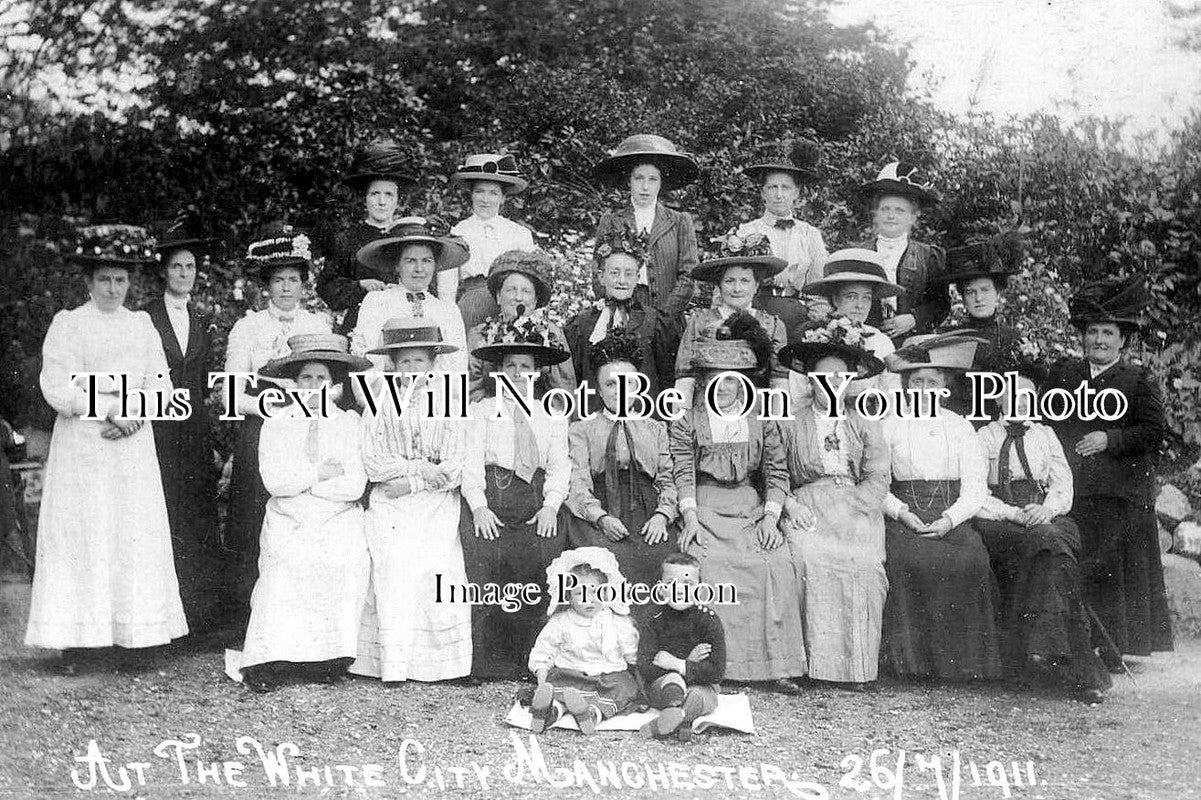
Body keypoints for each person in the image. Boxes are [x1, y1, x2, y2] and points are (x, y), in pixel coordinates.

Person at [25, 224, 187, 671]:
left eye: (120, 280)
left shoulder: (141, 325)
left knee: (130, 534)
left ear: (130, 283)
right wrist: (110, 410)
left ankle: (135, 637)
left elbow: (161, 383)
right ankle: (80, 642)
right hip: (85, 446)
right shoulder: (69, 324)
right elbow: (57, 385)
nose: (113, 288)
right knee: (85, 535)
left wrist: (135, 415)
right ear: (89, 283)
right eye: (104, 280)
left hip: (131, 448)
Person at [669, 312, 807, 693]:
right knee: (709, 563)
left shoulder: (761, 419)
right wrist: (690, 517)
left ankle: (774, 666)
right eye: (714, 378)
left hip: (750, 506)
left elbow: (777, 472)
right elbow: (682, 471)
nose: (723, 386)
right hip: (705, 505)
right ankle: (718, 666)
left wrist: (770, 517)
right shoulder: (687, 420)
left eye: (731, 379)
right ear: (702, 380)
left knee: (773, 562)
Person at [1047, 275, 1171, 669]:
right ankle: (1074, 640)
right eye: (1093, 332)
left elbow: (1154, 432)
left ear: (1123, 341)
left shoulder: (1137, 381)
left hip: (1118, 490)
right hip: (1070, 487)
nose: (1099, 340)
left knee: (1109, 561)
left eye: (1108, 333)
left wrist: (1110, 438)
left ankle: (1112, 646)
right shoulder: (1064, 375)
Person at [238, 334, 373, 693]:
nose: (313, 386)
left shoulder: (348, 423)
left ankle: (325, 657)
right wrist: (317, 474)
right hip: (289, 514)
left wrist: (308, 482)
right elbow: (275, 481)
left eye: (321, 379)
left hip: (337, 513)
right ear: (294, 383)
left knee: (342, 559)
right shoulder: (277, 423)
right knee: (286, 563)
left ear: (334, 384)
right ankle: (270, 659)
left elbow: (354, 484)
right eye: (306, 379)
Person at [975, 366, 1112, 703]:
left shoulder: (1046, 435)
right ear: (997, 399)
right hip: (1003, 519)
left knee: (1052, 546)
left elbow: (1062, 484)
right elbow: (976, 493)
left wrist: (1046, 511)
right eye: (1011, 395)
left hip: (1049, 516)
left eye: (1027, 397)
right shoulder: (983, 437)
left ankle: (1035, 659)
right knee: (1052, 548)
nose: (1019, 402)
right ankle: (1081, 671)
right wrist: (1016, 514)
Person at [223, 222, 331, 638]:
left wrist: (309, 404)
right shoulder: (248, 327)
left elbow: (334, 382)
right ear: (266, 286)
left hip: (308, 428)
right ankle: (247, 621)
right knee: (255, 519)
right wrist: (273, 406)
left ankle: (305, 620)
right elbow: (231, 394)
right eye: (278, 281)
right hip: (263, 429)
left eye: (293, 280)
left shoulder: (319, 325)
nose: (286, 288)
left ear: (305, 284)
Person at [350, 318, 473, 682]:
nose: (412, 370)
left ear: (433, 364)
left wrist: (413, 481)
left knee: (435, 568)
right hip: (391, 502)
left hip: (435, 503)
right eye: (405, 362)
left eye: (420, 362)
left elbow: (452, 467)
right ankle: (393, 664)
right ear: (392, 364)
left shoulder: (449, 402)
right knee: (393, 567)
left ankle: (437, 666)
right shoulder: (379, 402)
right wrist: (419, 468)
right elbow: (374, 462)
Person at [878, 333, 1002, 681]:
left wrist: (950, 520)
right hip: (905, 513)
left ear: (944, 385)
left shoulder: (960, 426)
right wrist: (901, 513)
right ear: (905, 384)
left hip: (951, 513)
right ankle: (913, 666)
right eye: (917, 381)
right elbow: (878, 484)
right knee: (905, 560)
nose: (924, 389)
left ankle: (963, 665)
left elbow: (976, 487)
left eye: (932, 382)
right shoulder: (890, 424)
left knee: (972, 558)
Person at [775, 318, 890, 688]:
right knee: (808, 557)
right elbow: (774, 473)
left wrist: (860, 506)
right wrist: (790, 506)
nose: (831, 386)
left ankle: (854, 669)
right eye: (823, 378)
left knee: (865, 565)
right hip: (807, 501)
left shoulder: (864, 421)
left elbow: (877, 474)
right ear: (810, 381)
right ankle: (815, 667)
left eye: (840, 378)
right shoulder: (790, 422)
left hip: (855, 505)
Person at [461, 317, 571, 679]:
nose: (518, 373)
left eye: (526, 367)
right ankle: (485, 662)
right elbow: (471, 462)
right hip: (493, 496)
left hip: (534, 500)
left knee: (536, 571)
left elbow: (559, 466)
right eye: (510, 366)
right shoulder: (481, 411)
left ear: (537, 373)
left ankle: (529, 660)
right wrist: (479, 507)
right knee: (487, 570)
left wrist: (551, 506)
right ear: (499, 371)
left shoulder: (551, 414)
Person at [143, 214, 223, 636]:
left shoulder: (200, 318)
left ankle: (197, 616)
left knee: (196, 514)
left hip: (192, 428)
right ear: (163, 271)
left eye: (190, 267)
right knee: (165, 514)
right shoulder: (146, 317)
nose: (184, 274)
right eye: (177, 266)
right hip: (158, 429)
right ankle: (163, 620)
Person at [566, 331, 678, 608]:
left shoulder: (655, 428)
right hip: (600, 513)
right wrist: (600, 518)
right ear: (600, 389)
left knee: (660, 559)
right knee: (602, 562)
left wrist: (663, 515)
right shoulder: (582, 430)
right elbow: (577, 483)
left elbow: (668, 479)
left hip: (647, 512)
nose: (620, 391)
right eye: (611, 384)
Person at [527, 547, 641, 735]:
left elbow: (632, 653)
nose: (589, 600)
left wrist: (638, 670)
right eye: (580, 593)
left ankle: (589, 715)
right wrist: (541, 683)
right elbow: (543, 652)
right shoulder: (561, 622)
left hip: (608, 677)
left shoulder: (617, 621)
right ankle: (549, 710)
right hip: (570, 674)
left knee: (623, 687)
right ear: (569, 597)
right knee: (557, 686)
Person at [562, 226, 678, 405]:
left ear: (637, 277)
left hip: (643, 419)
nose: (622, 280)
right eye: (614, 273)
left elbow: (667, 378)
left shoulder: (655, 322)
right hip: (595, 421)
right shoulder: (582, 324)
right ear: (601, 277)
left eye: (628, 273)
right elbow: (572, 379)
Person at [673, 232, 790, 408]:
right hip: (707, 408)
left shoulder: (772, 325)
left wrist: (777, 424)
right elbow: (685, 377)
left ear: (757, 285)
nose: (737, 288)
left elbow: (779, 382)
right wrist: (681, 423)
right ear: (719, 285)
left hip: (755, 411)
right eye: (729, 281)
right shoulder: (700, 321)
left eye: (745, 281)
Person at [592, 134, 699, 319]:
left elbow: (688, 275)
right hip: (622, 313)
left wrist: (664, 316)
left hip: (667, 316)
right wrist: (618, 308)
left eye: (652, 179)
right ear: (628, 181)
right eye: (639, 178)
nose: (645, 187)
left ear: (661, 183)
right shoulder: (610, 221)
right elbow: (598, 272)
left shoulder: (679, 221)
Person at [317, 139, 413, 333]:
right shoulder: (348, 238)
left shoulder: (407, 235)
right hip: (361, 324)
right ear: (365, 198)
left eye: (389, 195)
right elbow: (327, 287)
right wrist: (360, 285)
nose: (382, 202)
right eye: (374, 194)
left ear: (397, 200)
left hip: (403, 320)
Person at [351, 216, 469, 374]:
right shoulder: (377, 302)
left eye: (427, 261)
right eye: (410, 261)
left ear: (435, 265)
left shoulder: (447, 310)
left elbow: (457, 367)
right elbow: (366, 362)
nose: (419, 269)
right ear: (397, 265)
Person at [736, 139, 831, 332]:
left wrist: (820, 326)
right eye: (772, 187)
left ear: (796, 192)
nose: (779, 195)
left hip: (795, 315)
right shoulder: (745, 231)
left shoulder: (809, 234)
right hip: (753, 311)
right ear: (762, 192)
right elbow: (729, 283)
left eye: (785, 188)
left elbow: (818, 292)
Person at [935, 231, 1026, 420]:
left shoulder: (1014, 338)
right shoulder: (949, 337)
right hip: (959, 426)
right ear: (963, 298)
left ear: (998, 293)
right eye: (970, 292)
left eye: (985, 290)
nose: (978, 298)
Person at [438, 153, 537, 329]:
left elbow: (531, 282)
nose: (485, 199)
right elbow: (447, 291)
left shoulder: (519, 234)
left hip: (511, 306)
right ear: (471, 194)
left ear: (503, 198)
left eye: (493, 193)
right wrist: (448, 324)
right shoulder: (457, 232)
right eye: (479, 191)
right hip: (471, 307)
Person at [856, 162, 949, 343]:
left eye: (899, 210)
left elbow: (941, 304)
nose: (891, 216)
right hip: (865, 342)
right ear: (876, 214)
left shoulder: (928, 256)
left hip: (913, 343)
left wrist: (914, 319)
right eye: (885, 209)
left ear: (913, 217)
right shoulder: (860, 254)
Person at [637, 552, 726, 742]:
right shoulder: (653, 617)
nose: (679, 590)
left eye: (688, 584)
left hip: (700, 685)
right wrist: (678, 669)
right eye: (670, 584)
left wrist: (680, 664)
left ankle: (673, 720)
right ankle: (679, 718)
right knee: (673, 681)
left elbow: (716, 672)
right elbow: (645, 666)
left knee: (699, 696)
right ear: (660, 588)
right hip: (665, 687)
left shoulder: (708, 619)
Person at [466, 250, 576, 403]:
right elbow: (471, 390)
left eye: (526, 291)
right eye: (511, 290)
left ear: (536, 299)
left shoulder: (551, 335)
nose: (518, 297)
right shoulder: (480, 335)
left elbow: (562, 393)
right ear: (498, 296)